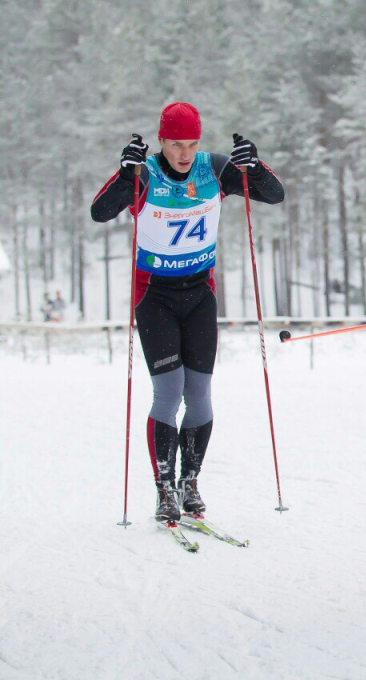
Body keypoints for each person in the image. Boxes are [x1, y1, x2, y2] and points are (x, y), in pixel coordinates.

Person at [91, 102, 284, 523]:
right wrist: (126, 175)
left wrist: (256, 166)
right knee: (168, 391)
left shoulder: (213, 169)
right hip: (154, 297)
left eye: (192, 144)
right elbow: (100, 211)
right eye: (176, 144)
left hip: (199, 295)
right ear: (161, 140)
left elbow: (274, 194)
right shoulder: (145, 172)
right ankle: (164, 489)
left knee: (198, 396)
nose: (184, 153)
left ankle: (189, 482)